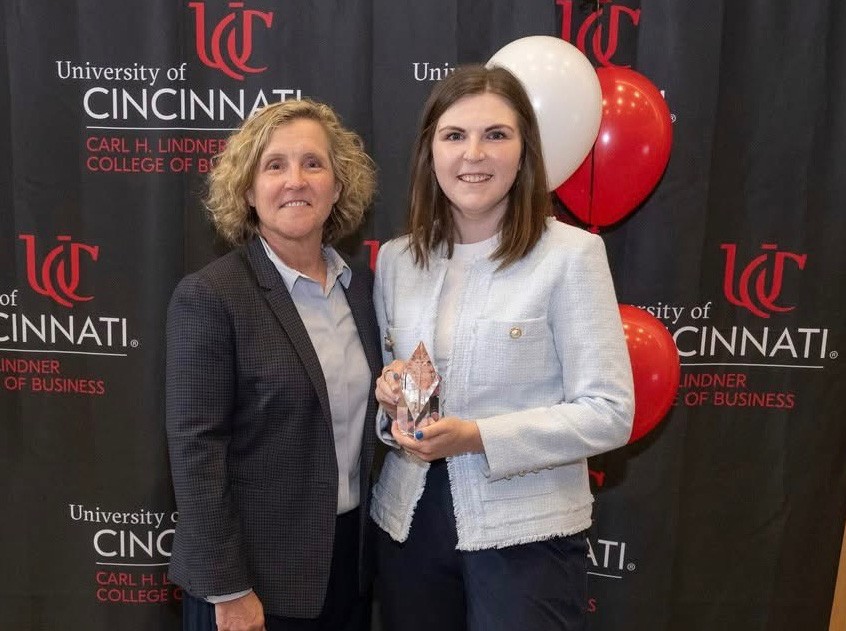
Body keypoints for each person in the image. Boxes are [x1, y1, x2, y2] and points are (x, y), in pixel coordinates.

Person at [370, 65, 635, 631]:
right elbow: (400, 391)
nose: (474, 155)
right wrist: (390, 401)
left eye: (496, 134)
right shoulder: (396, 260)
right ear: (429, 152)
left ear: (524, 152)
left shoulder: (571, 256)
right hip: (408, 527)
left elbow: (610, 415)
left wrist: (478, 437)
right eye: (454, 135)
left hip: (526, 535)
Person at [166, 99, 380, 631]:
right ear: (248, 189)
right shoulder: (211, 296)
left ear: (337, 185)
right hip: (253, 584)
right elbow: (197, 452)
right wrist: (229, 589)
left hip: (347, 570)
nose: (295, 181)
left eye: (313, 163)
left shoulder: (363, 291)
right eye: (274, 165)